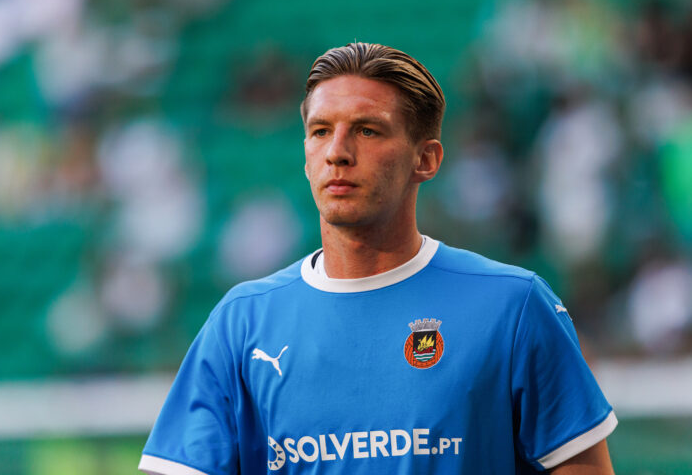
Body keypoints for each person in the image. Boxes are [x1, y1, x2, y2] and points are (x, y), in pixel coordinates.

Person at [139, 42, 617, 474]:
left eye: (367, 131)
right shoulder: (241, 323)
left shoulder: (513, 306)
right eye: (320, 131)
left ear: (425, 159)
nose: (338, 152)